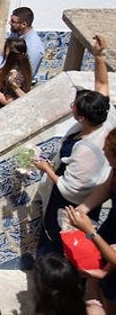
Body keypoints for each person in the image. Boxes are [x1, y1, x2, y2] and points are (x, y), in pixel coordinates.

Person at [35, 35, 114, 255]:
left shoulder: (87, 150)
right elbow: (102, 85)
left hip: (71, 204)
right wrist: (99, 56)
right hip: (82, 195)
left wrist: (47, 170)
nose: (72, 107)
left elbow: (70, 189)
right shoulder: (105, 116)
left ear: (81, 117)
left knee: (59, 243)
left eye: (74, 106)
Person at [66, 127, 116, 314]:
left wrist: (89, 231)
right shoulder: (115, 169)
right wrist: (84, 208)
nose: (103, 154)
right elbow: (106, 187)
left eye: (107, 152)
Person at [0, 6, 45, 79]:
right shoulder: (16, 33)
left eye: (13, 21)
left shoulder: (33, 47)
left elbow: (26, 75)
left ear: (24, 24)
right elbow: (5, 54)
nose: (9, 22)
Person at [0, 38, 32, 116]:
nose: (5, 53)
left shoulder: (15, 74)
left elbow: (9, 101)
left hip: (1, 116)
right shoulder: (19, 69)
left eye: (6, 50)